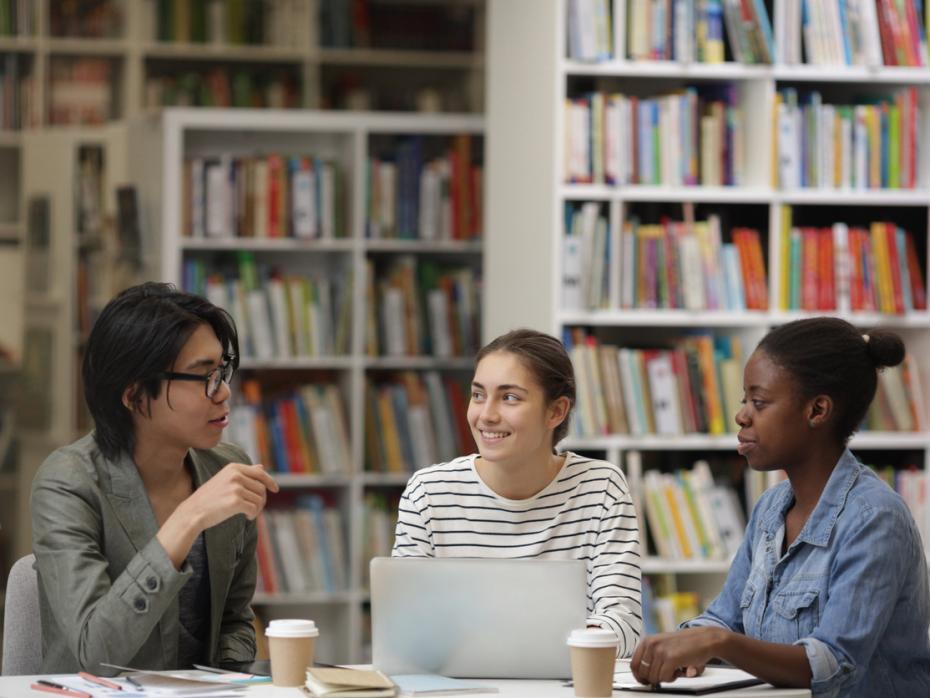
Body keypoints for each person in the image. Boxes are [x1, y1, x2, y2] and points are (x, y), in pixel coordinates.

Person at [631, 318, 930, 696]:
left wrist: (716, 643)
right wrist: (678, 643)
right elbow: (726, 618)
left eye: (759, 402)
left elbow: (834, 663)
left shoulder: (874, 518)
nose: (741, 416)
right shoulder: (771, 508)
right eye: (745, 401)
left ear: (817, 410)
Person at [31, 282, 279, 675]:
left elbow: (235, 619)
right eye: (204, 376)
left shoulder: (225, 470)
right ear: (134, 396)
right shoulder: (68, 483)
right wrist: (187, 519)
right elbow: (95, 653)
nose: (224, 392)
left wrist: (231, 680)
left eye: (223, 371)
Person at [392, 329, 642, 654]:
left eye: (509, 397)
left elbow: (623, 622)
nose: (486, 415)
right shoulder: (427, 492)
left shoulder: (602, 488)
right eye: (479, 395)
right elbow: (402, 624)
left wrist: (553, 647)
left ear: (556, 411)